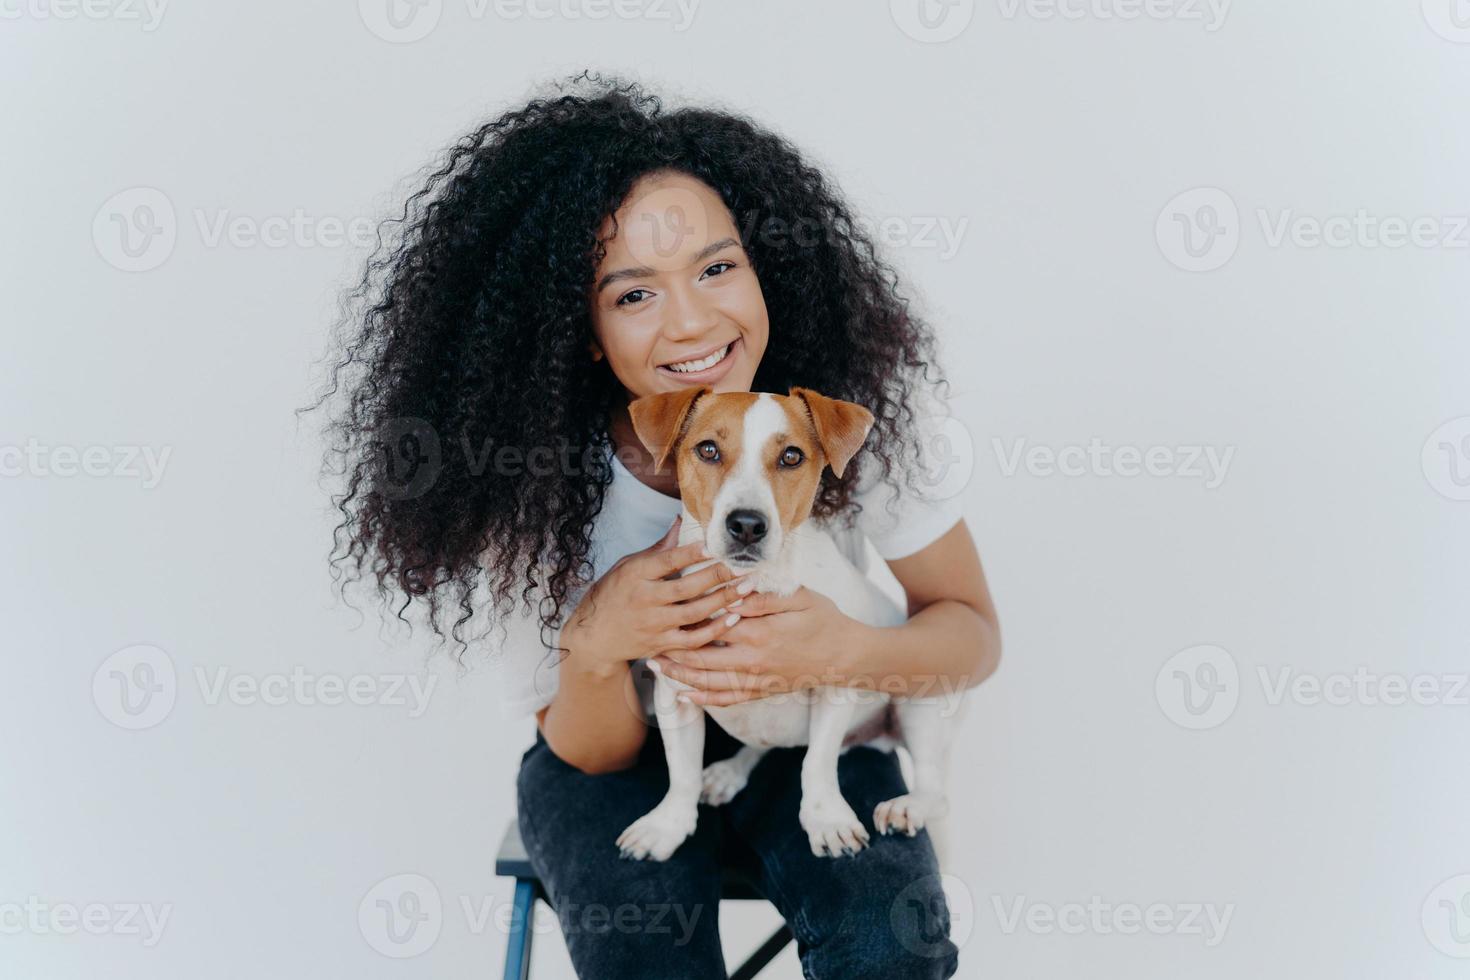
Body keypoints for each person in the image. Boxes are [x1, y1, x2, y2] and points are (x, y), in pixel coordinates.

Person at [311, 72, 1001, 978]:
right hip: (615, 751)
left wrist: (842, 652)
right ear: (583, 328)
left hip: (816, 730)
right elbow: (588, 749)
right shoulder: (520, 480)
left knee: (888, 942)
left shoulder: (849, 423)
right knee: (647, 956)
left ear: (767, 268)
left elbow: (971, 637)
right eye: (634, 294)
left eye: (718, 267)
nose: (692, 321)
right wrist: (599, 638)